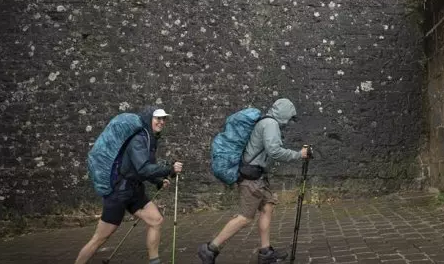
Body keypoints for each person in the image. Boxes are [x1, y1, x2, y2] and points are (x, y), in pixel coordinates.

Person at [197, 98, 310, 264]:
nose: (289, 122)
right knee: (245, 217)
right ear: (284, 114)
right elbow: (275, 152)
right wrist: (298, 155)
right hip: (251, 178)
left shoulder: (267, 122)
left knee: (267, 206)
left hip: (258, 176)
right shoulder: (270, 124)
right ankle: (210, 248)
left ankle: (265, 252)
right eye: (290, 118)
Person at [74, 107, 184, 264]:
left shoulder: (150, 138)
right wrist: (169, 169)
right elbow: (143, 168)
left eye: (163, 119)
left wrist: (158, 181)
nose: (161, 122)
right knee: (100, 238)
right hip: (118, 192)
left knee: (156, 220)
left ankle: (154, 262)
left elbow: (143, 168)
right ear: (148, 119)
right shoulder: (139, 139)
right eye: (157, 118)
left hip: (133, 189)